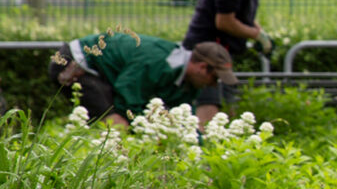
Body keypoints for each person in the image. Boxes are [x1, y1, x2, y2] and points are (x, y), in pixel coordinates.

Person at [48, 32, 236, 127]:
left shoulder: (189, 81)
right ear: (202, 68)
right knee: (118, 123)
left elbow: (184, 120)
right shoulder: (158, 63)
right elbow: (127, 97)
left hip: (102, 73)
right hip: (76, 64)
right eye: (214, 78)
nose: (214, 84)